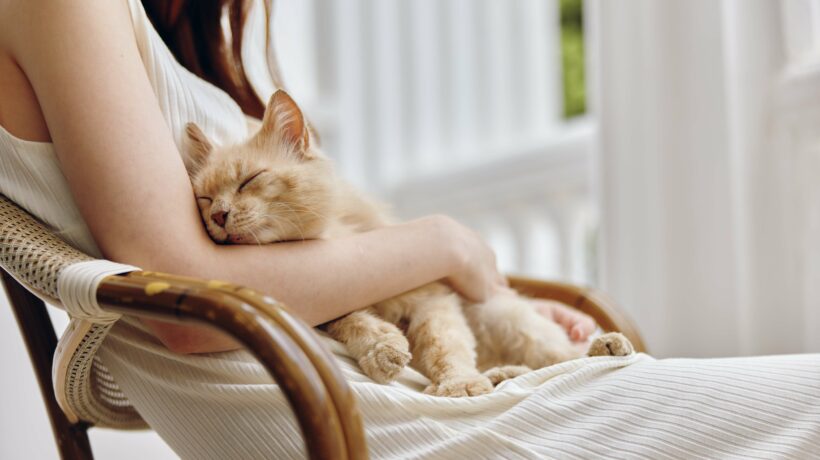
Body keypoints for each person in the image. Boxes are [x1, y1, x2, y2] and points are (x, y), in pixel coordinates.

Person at [0, 1, 817, 458]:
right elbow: (181, 289)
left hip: (391, 383)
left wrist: (496, 315)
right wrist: (446, 246)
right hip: (358, 414)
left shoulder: (151, 36)